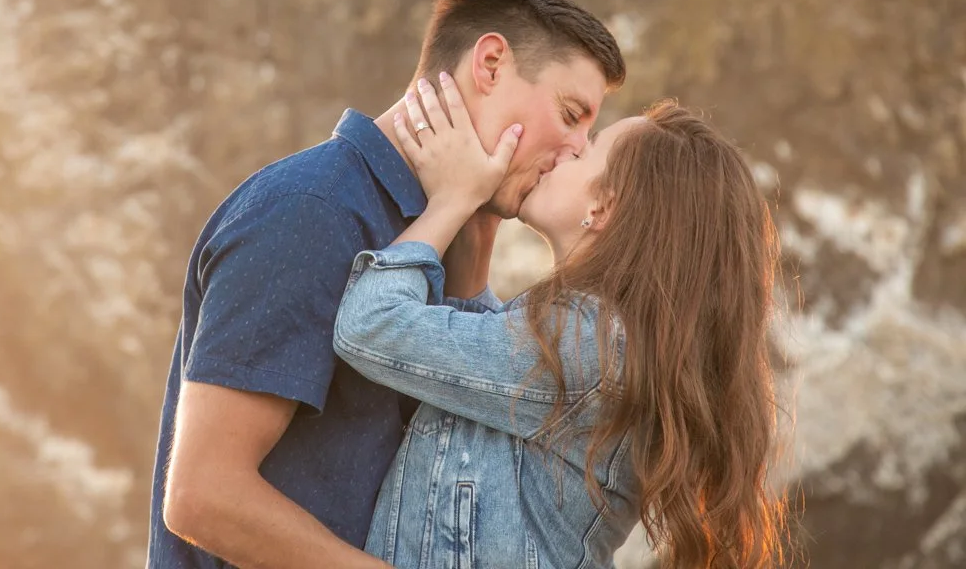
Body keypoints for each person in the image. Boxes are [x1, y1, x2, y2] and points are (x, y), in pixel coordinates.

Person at [147, 0, 626, 568]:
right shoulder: (313, 212)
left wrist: (475, 217)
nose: (579, 149)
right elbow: (203, 497)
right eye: (570, 112)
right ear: (492, 64)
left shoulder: (443, 233)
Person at [334, 74, 792, 568]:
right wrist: (481, 211)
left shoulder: (589, 342)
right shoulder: (595, 338)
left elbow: (371, 325)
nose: (566, 149)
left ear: (602, 206)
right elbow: (472, 357)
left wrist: (452, 201)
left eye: (585, 151)